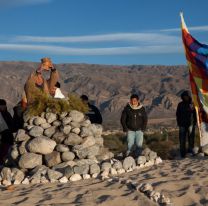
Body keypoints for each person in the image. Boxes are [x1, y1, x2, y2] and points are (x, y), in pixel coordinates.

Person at [176, 90, 197, 158]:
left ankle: (191, 152)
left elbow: (195, 114)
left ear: (189, 97)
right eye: (184, 96)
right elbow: (178, 114)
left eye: (187, 96)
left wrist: (195, 122)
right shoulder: (180, 104)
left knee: (191, 139)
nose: (186, 98)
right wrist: (179, 122)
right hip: (182, 124)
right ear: (182, 97)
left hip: (191, 124)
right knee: (182, 140)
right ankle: (182, 154)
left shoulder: (192, 104)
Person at [0, 99, 14, 164]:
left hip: (8, 136)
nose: (3, 107)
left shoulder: (7, 113)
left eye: (4, 105)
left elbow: (11, 123)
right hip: (3, 136)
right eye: (1, 105)